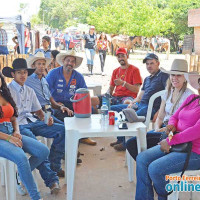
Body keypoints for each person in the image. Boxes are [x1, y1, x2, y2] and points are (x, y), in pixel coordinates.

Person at [135, 72, 200, 200]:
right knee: (142, 158)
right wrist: (171, 126)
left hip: (194, 152)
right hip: (176, 141)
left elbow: (196, 131)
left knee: (155, 169)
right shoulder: (192, 98)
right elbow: (174, 116)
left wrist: (170, 141)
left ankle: (163, 196)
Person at [3, 58, 65, 187]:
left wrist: (47, 118)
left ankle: (54, 164)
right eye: (19, 72)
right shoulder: (7, 91)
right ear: (13, 74)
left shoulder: (29, 90)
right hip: (19, 126)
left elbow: (39, 112)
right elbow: (9, 116)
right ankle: (51, 180)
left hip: (32, 121)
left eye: (25, 72)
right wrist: (14, 131)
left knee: (62, 130)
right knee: (38, 147)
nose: (23, 75)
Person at [126, 59, 194, 160]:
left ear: (185, 78)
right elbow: (161, 116)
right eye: (172, 75)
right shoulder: (167, 93)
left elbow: (186, 123)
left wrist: (164, 129)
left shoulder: (189, 96)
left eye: (179, 75)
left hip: (174, 132)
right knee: (134, 142)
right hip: (162, 128)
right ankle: (149, 165)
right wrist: (157, 127)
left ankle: (150, 164)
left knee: (133, 143)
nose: (175, 78)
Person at [0, 72, 48, 200]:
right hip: (1, 137)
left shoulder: (5, 93)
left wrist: (16, 132)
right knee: (22, 158)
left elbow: (14, 117)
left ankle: (20, 176)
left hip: (11, 131)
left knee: (43, 151)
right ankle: (36, 197)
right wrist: (10, 138)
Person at [110, 53, 169, 151]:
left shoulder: (163, 76)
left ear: (158, 63)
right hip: (140, 105)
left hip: (151, 108)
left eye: (152, 63)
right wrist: (133, 103)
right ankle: (120, 138)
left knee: (129, 117)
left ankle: (126, 144)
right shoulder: (147, 79)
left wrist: (159, 112)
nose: (149, 66)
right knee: (113, 109)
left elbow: (168, 94)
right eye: (147, 64)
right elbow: (140, 96)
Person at [46, 50, 97, 146]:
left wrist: (84, 104)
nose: (70, 63)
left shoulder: (78, 76)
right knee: (65, 117)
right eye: (68, 60)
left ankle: (83, 136)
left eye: (72, 61)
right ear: (63, 61)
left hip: (74, 103)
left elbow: (84, 92)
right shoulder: (53, 73)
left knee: (90, 110)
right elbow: (46, 91)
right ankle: (70, 144)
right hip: (57, 104)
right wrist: (56, 104)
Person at [91, 47, 142, 114]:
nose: (121, 58)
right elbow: (111, 89)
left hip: (128, 97)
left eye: (123, 56)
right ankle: (98, 118)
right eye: (118, 57)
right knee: (92, 100)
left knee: (127, 103)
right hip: (115, 97)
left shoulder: (135, 70)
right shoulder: (115, 71)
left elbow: (136, 90)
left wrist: (123, 83)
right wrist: (107, 95)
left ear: (127, 56)